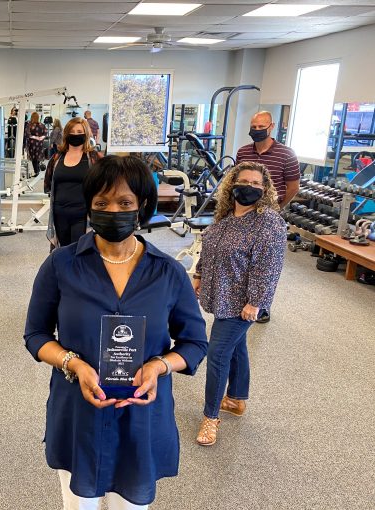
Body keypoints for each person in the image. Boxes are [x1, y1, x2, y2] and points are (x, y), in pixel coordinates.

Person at [25, 155, 208, 509]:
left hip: (142, 414)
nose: (113, 210)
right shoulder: (61, 266)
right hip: (80, 411)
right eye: (102, 202)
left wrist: (159, 367)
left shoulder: (167, 273)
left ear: (142, 207)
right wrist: (73, 364)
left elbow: (195, 342)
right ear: (90, 208)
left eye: (125, 202)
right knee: (80, 505)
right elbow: (36, 335)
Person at [192, 161, 286, 447]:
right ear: (232, 184)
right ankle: (235, 399)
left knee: (218, 353)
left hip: (242, 304)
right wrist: (198, 275)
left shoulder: (268, 222)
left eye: (257, 184)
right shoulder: (225, 217)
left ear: (265, 189)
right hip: (222, 296)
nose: (250, 187)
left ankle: (210, 418)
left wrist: (256, 302)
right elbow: (210, 250)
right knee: (237, 348)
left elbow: (269, 267)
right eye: (244, 181)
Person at [236, 110, 299, 323]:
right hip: (244, 212)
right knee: (242, 259)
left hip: (269, 213)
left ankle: (262, 305)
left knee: (265, 263)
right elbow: (238, 180)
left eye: (261, 127)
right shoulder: (243, 152)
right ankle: (241, 299)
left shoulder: (286, 154)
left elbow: (293, 187)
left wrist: (278, 206)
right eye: (253, 127)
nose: (256, 131)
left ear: (271, 127)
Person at [44, 117, 101, 249]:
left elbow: (103, 186)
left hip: (82, 215)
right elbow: (49, 184)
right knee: (62, 252)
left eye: (79, 131)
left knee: (79, 251)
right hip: (59, 214)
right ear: (66, 133)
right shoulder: (57, 158)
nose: (75, 134)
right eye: (72, 131)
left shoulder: (93, 158)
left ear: (86, 133)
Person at [27, 111, 46, 176]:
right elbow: (45, 133)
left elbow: (28, 134)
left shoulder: (29, 125)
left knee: (33, 157)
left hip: (32, 144)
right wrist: (41, 138)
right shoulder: (42, 125)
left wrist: (35, 137)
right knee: (38, 156)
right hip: (40, 143)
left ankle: (36, 171)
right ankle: (38, 169)